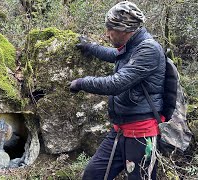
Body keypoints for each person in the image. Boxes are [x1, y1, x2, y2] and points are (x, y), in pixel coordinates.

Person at [69, 1, 166, 180]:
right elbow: (115, 55)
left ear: (124, 29)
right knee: (92, 175)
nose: (107, 34)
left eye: (110, 29)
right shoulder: (132, 47)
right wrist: (90, 47)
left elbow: (116, 83)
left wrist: (82, 82)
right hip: (120, 129)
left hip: (142, 135)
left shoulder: (149, 50)